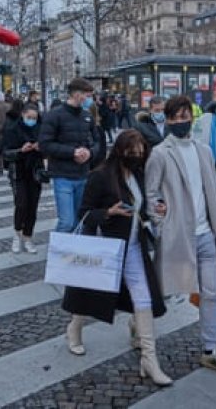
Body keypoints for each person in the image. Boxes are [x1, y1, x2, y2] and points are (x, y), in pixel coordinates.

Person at [61, 129, 171, 386]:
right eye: (132, 152)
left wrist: (157, 208)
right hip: (105, 248)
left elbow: (144, 206)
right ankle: (74, 328)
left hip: (134, 247)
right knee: (88, 295)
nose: (137, 156)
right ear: (120, 151)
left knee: (143, 298)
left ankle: (149, 358)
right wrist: (108, 212)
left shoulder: (140, 175)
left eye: (141, 152)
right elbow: (85, 213)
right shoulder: (100, 176)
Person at [145, 95, 216, 377]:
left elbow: (215, 195)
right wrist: (161, 225)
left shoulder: (204, 151)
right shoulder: (160, 153)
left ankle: (211, 351)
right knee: (163, 292)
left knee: (211, 293)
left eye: (184, 116)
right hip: (177, 237)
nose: (179, 122)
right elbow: (151, 195)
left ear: (192, 117)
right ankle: (139, 327)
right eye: (174, 117)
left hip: (206, 236)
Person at [39, 77, 100, 234]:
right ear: (77, 94)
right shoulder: (54, 115)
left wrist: (90, 152)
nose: (89, 99)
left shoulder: (87, 116)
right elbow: (45, 144)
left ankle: (72, 251)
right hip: (63, 175)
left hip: (83, 174)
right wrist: (72, 152)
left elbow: (97, 142)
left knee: (79, 220)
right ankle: (56, 251)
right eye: (87, 96)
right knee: (66, 222)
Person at [3, 103, 44, 254]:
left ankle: (28, 237)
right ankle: (17, 233)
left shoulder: (41, 129)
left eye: (34, 118)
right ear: (22, 115)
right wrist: (21, 150)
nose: (32, 120)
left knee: (32, 206)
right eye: (29, 117)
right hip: (18, 172)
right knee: (21, 204)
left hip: (35, 172)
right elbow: (5, 153)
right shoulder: (12, 129)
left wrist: (41, 148)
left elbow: (48, 149)